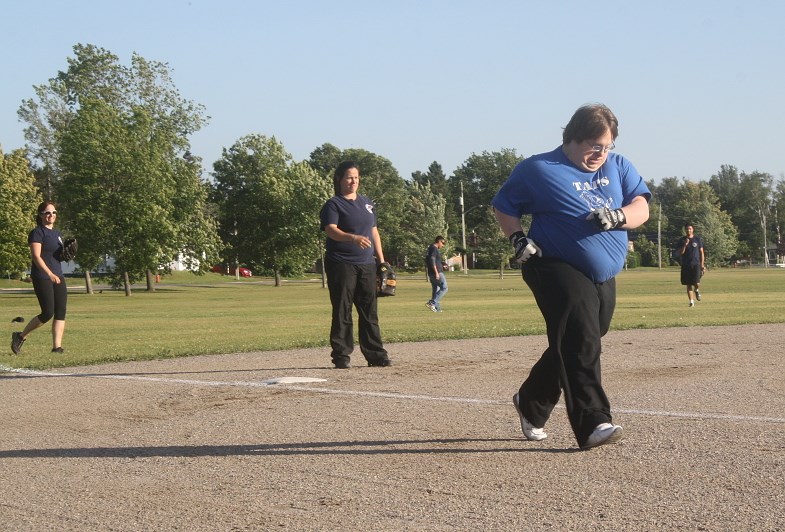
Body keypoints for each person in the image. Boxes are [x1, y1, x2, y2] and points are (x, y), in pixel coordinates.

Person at [492, 103, 651, 450]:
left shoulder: (618, 166)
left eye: (606, 146)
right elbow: (504, 205)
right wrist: (518, 238)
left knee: (587, 335)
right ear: (572, 138)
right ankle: (594, 422)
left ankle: (531, 400)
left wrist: (619, 216)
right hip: (553, 265)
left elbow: (642, 206)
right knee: (582, 337)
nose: (601, 153)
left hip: (601, 274)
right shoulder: (539, 169)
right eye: (594, 145)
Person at [319, 161, 392, 369]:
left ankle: (376, 355)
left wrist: (382, 260)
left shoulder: (367, 203)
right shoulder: (333, 204)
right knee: (343, 310)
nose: (353, 181)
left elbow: (374, 232)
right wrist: (352, 238)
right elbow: (330, 229)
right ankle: (341, 356)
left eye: (356, 178)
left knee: (369, 311)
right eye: (349, 177)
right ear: (339, 179)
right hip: (341, 264)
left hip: (366, 264)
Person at [11, 202, 69, 355]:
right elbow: (36, 257)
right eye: (47, 213)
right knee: (48, 312)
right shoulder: (37, 233)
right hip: (43, 276)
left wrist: (67, 256)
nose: (51, 215)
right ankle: (20, 336)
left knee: (61, 311)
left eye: (54, 212)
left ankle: (57, 347)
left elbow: (57, 257)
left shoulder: (57, 234)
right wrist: (50, 274)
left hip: (58, 275)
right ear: (40, 215)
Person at [679, 223, 705, 307]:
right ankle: (691, 302)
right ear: (685, 230)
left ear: (693, 230)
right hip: (686, 265)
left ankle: (697, 290)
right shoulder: (682, 240)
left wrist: (702, 265)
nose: (688, 230)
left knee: (696, 282)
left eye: (690, 229)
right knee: (688, 284)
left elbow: (701, 252)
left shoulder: (697, 239)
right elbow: (680, 253)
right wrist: (685, 244)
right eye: (687, 229)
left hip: (696, 264)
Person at [425, 236, 448, 312]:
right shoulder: (434, 249)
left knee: (436, 289)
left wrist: (442, 264)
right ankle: (432, 302)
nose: (443, 245)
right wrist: (436, 272)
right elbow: (432, 260)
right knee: (444, 288)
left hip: (431, 272)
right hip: (436, 272)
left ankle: (436, 308)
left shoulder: (430, 248)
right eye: (443, 243)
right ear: (439, 241)